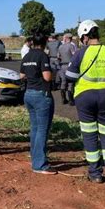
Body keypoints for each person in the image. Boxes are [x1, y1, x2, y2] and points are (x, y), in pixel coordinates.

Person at [66, 20, 105, 188]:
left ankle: (95, 173)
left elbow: (69, 75)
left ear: (84, 36)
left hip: (84, 97)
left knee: (90, 134)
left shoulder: (81, 53)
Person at [20, 33, 56, 174]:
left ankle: (35, 158)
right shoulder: (42, 55)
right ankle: (39, 164)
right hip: (41, 94)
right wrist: (52, 71)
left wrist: (32, 75)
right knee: (42, 129)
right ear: (45, 42)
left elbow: (21, 76)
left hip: (28, 93)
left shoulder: (27, 56)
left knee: (34, 128)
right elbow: (47, 77)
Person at [57, 33, 76, 105]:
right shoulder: (71, 46)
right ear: (70, 38)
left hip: (62, 66)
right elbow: (74, 55)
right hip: (69, 66)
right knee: (70, 83)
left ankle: (63, 99)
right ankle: (71, 101)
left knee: (63, 82)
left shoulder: (60, 47)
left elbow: (58, 56)